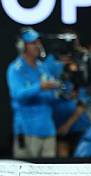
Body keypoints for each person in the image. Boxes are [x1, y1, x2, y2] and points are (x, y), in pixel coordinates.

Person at [7, 28, 58, 159]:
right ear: (22, 46)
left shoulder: (43, 67)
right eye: (33, 43)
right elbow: (18, 95)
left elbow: (51, 97)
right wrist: (40, 87)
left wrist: (58, 92)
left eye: (38, 42)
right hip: (27, 131)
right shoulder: (15, 69)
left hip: (48, 130)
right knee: (25, 175)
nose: (37, 45)